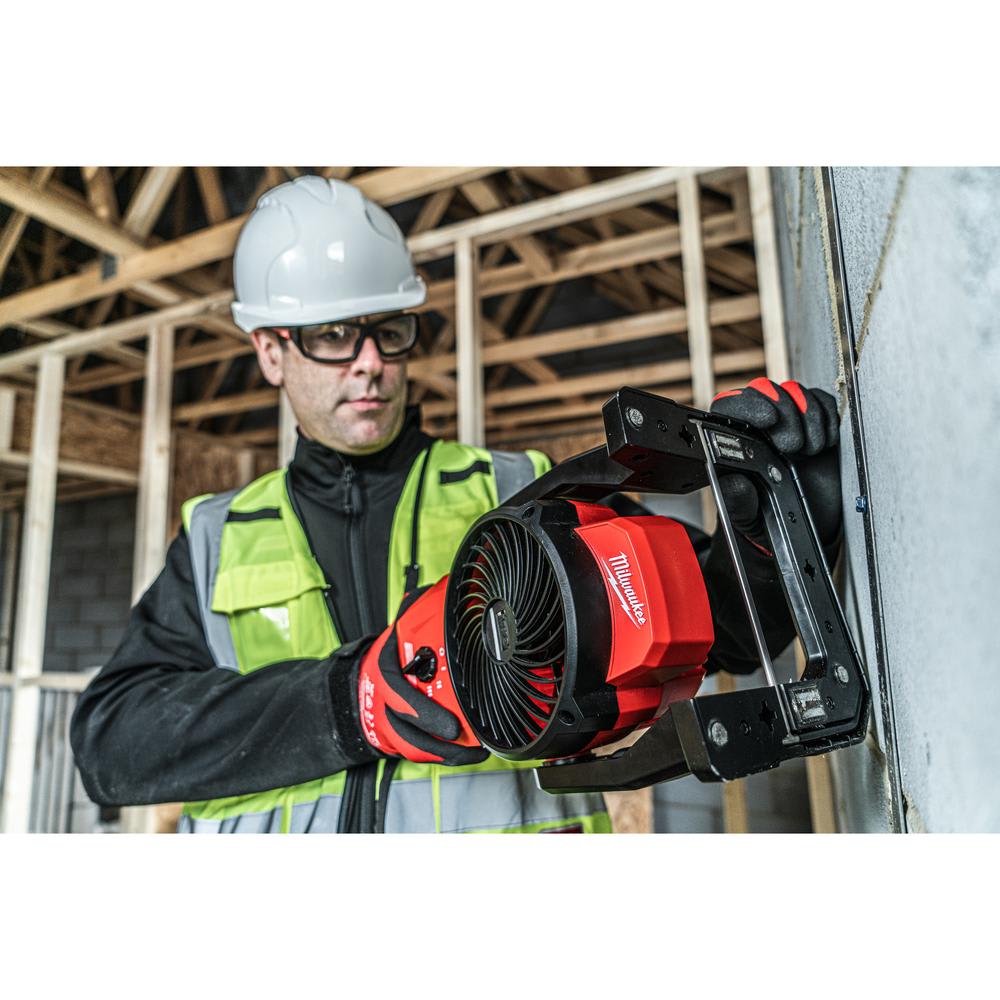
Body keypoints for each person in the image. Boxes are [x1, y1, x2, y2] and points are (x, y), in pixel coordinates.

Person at [70, 175, 843, 833]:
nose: (370, 363)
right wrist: (349, 702)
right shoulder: (217, 537)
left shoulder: (515, 491)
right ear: (271, 352)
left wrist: (771, 531)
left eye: (389, 331)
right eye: (334, 336)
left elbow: (723, 631)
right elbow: (112, 745)